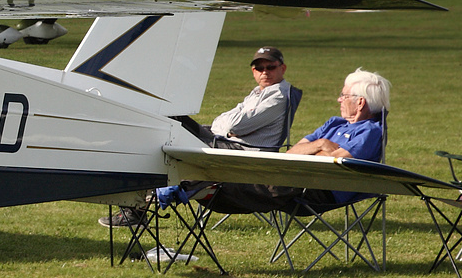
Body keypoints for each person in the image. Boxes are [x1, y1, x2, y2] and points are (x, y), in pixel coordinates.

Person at [101, 47, 295, 227]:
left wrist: (226, 127)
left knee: (165, 139)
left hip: (241, 151)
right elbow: (225, 121)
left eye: (270, 67)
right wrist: (225, 127)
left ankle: (136, 208)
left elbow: (233, 124)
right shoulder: (259, 92)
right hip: (223, 140)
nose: (264, 72)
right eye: (259, 67)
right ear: (253, 71)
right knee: (169, 117)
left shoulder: (278, 96)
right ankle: (137, 204)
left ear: (282, 68)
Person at [162, 68, 390, 215]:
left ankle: (201, 187)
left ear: (360, 103)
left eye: (345, 95)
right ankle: (202, 187)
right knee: (255, 174)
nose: (339, 99)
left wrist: (314, 154)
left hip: (321, 188)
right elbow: (293, 152)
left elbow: (337, 163)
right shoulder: (335, 124)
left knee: (260, 181)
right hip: (294, 178)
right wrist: (320, 145)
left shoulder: (370, 131)